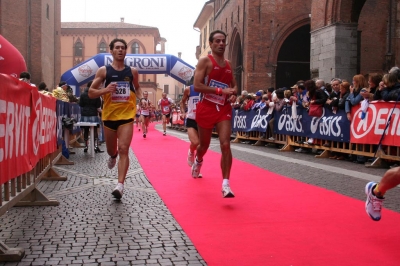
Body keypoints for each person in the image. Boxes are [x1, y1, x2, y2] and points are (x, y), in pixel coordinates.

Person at [88, 38, 141, 200]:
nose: (120, 50)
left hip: (126, 115)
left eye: (123, 48)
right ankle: (112, 156)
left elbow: (137, 87)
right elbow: (91, 92)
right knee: (113, 150)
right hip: (109, 116)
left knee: (124, 148)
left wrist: (141, 99)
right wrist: (105, 90)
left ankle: (120, 185)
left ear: (126, 51)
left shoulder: (132, 71)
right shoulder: (104, 71)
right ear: (111, 51)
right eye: (117, 48)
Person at [192, 30, 237, 198]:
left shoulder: (229, 64)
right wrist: (220, 90)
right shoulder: (205, 61)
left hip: (223, 108)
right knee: (203, 145)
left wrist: (233, 93)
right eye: (217, 41)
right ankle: (198, 160)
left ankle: (226, 184)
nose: (221, 44)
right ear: (210, 44)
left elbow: (234, 85)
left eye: (223, 41)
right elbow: (197, 86)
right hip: (206, 108)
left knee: (226, 144)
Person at [180, 78, 202, 178]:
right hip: (191, 119)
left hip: (203, 121)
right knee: (195, 143)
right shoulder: (189, 89)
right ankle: (191, 151)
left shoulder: (208, 90)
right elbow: (182, 102)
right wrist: (183, 112)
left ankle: (195, 167)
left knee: (201, 147)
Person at [79, 81, 103, 153]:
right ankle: (95, 146)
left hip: (85, 113)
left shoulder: (83, 94)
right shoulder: (96, 94)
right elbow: (98, 105)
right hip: (93, 113)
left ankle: (86, 146)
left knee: (86, 130)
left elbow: (81, 104)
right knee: (95, 130)